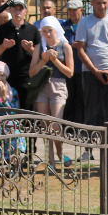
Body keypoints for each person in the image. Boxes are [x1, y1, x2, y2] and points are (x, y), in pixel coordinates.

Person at [73, 0, 108, 157]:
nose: (101, 6)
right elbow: (80, 49)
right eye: (97, 2)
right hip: (90, 73)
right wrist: (94, 71)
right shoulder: (85, 22)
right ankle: (88, 148)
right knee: (91, 110)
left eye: (104, 2)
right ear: (92, 3)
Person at [29, 15, 75, 167]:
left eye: (50, 31)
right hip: (42, 86)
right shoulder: (39, 47)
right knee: (45, 125)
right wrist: (43, 60)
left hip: (59, 85)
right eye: (44, 31)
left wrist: (55, 60)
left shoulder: (65, 46)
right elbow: (32, 72)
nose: (47, 34)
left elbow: (70, 72)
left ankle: (60, 154)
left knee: (56, 124)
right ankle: (50, 161)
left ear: (56, 30)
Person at [0, 0, 40, 99]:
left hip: (27, 78)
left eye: (20, 9)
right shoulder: (2, 29)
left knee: (25, 112)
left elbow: (41, 57)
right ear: (10, 10)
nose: (17, 12)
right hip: (6, 78)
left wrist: (30, 49)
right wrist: (3, 46)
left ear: (26, 11)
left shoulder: (33, 30)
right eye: (15, 8)